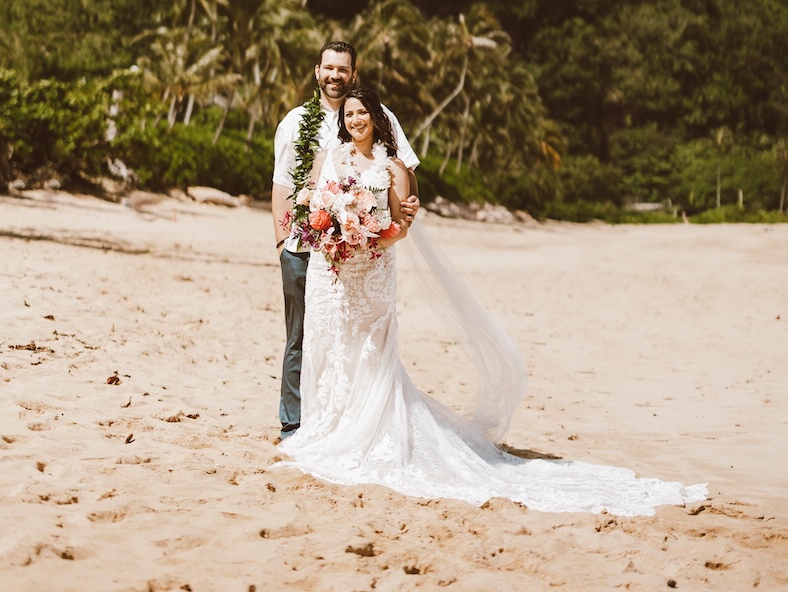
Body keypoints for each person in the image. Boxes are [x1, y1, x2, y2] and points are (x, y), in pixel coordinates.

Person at [280, 88, 708, 517]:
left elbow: (401, 227)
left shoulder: (393, 168)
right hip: (330, 271)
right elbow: (310, 207)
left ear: (377, 118)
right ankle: (326, 426)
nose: (355, 120)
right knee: (329, 344)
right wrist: (333, 234)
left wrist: (366, 236)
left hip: (372, 270)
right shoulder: (328, 158)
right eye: (350, 114)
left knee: (371, 352)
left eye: (363, 113)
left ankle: (366, 433)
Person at [271, 41, 419, 440]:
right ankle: (293, 421)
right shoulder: (295, 121)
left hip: (367, 255)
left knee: (355, 339)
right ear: (317, 71)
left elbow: (404, 170)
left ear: (353, 74)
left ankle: (350, 420)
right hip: (307, 249)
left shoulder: (380, 114)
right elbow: (284, 186)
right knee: (303, 335)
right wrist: (284, 242)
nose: (335, 75)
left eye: (343, 69)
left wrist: (408, 206)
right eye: (329, 68)